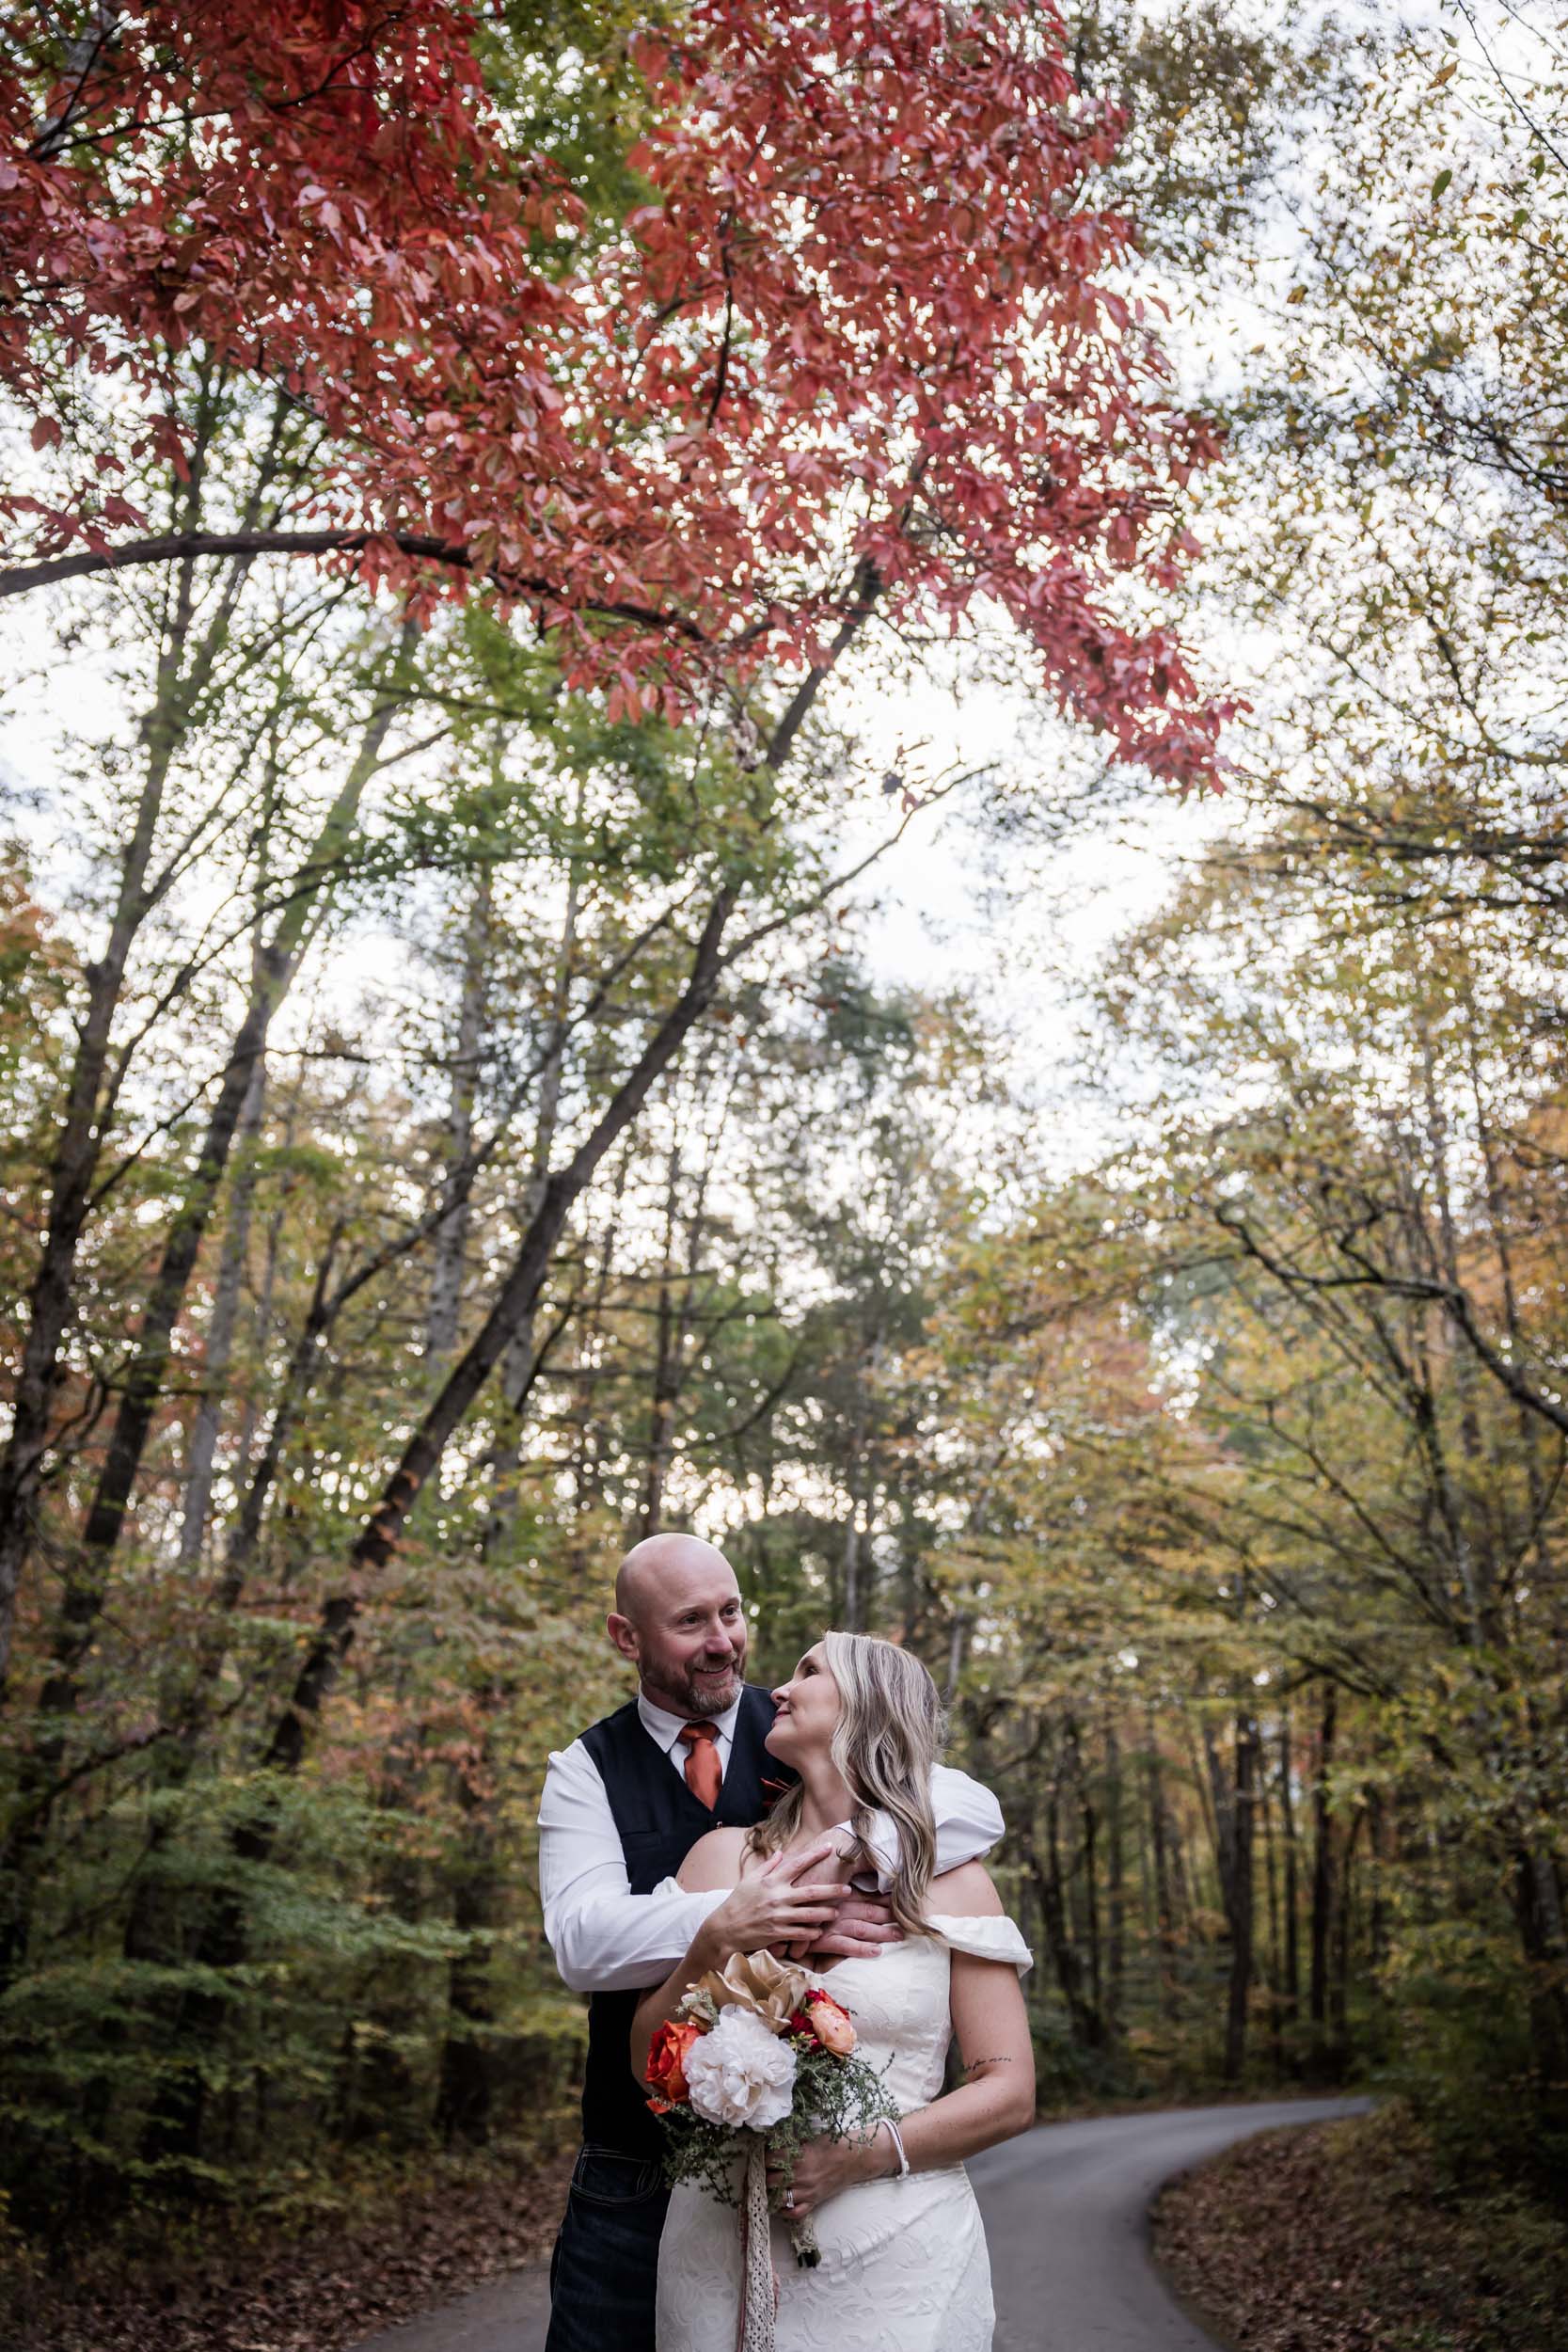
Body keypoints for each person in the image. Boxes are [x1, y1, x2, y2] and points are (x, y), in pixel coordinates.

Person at [538, 1534, 1005, 2352]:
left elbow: (963, 1809)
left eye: (731, 1612)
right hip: (638, 2160)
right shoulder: (587, 1767)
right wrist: (737, 1921)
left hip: (862, 2200)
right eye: (690, 1621)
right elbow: (581, 1943)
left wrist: (853, 1857)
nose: (723, 1641)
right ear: (627, 1637)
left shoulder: (794, 1725)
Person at [631, 1629, 1035, 2352]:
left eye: (807, 1671)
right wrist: (716, 1939)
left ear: (868, 1706)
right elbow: (647, 2065)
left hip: (898, 2250)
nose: (776, 1691)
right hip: (720, 2241)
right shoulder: (722, 1858)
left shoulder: (952, 1879)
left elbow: (1007, 2090)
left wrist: (864, 2153)